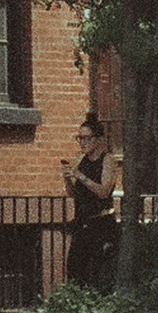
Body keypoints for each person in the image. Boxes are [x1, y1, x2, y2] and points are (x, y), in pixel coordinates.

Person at [61, 110, 120, 290]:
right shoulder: (81, 160)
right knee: (75, 268)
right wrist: (67, 178)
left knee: (98, 271)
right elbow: (74, 193)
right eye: (80, 138)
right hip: (82, 222)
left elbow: (103, 191)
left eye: (87, 138)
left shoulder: (107, 160)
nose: (83, 143)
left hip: (101, 223)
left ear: (98, 139)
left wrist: (81, 177)